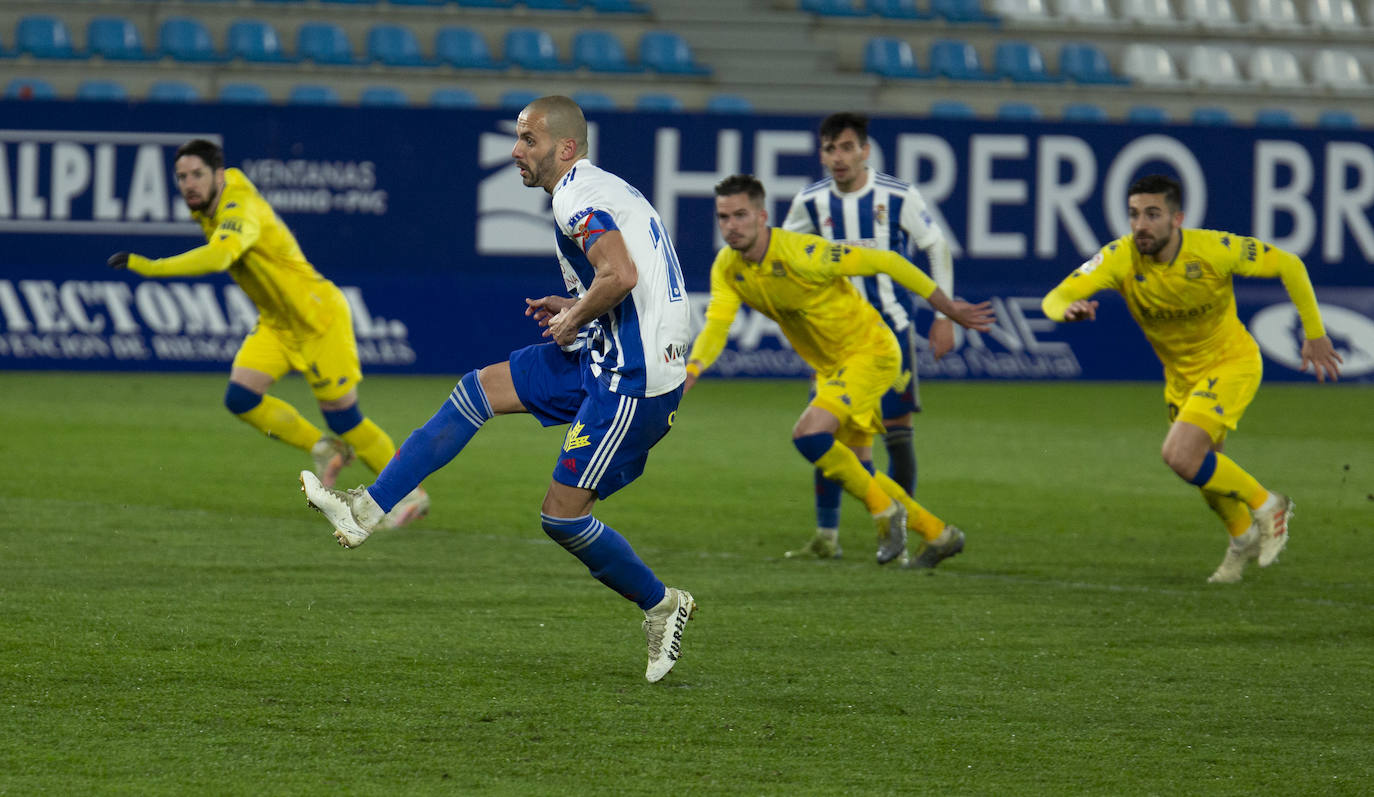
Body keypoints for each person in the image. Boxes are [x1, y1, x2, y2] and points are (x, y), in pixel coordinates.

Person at [299, 96, 697, 683]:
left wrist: (575, 316)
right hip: (608, 353)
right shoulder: (601, 187)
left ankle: (663, 604)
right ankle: (368, 508)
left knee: (562, 519)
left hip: (634, 383)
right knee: (477, 390)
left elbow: (621, 275)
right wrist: (579, 309)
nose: (515, 151)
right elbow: (627, 279)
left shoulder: (577, 198)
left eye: (529, 140)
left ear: (564, 148)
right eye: (516, 139)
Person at [108, 138, 428, 529]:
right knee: (241, 397)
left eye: (196, 175)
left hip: (317, 320)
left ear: (218, 175)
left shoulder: (239, 206)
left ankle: (411, 494)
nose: (188, 183)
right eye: (181, 177)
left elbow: (221, 255)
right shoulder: (207, 206)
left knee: (346, 418)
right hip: (277, 324)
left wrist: (150, 266)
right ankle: (324, 448)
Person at [1041, 174, 1343, 583]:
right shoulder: (1119, 258)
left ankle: (1269, 504)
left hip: (1231, 362)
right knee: (1204, 473)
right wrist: (1068, 311)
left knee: (1180, 456)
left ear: (1177, 218)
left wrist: (1314, 333)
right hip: (1181, 379)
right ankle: (1241, 540)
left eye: (1152, 214)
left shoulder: (1213, 249)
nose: (1140, 225)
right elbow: (1054, 297)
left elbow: (1289, 263)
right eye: (1133, 215)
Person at [686, 174, 995, 569]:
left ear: (762, 216)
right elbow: (717, 322)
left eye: (741, 215)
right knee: (858, 468)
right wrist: (694, 367)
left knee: (810, 434)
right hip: (834, 367)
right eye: (723, 217)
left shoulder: (804, 253)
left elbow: (887, 260)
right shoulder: (729, 267)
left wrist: (947, 307)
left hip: (871, 352)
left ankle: (887, 514)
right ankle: (938, 534)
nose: (731, 226)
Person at [782, 112, 956, 560]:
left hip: (891, 334)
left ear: (865, 150)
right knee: (827, 432)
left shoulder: (897, 196)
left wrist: (944, 315)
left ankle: (903, 531)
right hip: (835, 339)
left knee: (898, 431)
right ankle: (827, 536)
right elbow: (786, 257)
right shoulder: (811, 201)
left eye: (845, 147)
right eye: (828, 148)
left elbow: (936, 245)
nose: (836, 158)